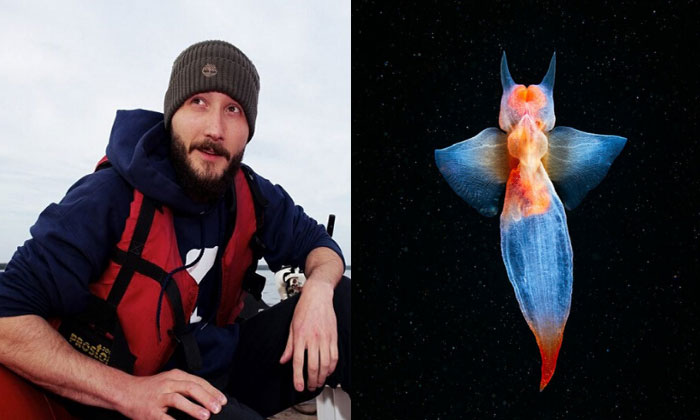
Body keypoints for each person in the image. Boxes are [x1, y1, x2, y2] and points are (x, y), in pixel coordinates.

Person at [0, 40, 350, 420]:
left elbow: (320, 244)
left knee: (345, 300)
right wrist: (127, 391)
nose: (215, 128)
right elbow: (6, 316)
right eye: (198, 102)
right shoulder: (108, 198)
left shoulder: (249, 193)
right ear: (172, 115)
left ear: (248, 129)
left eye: (233, 110)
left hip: (217, 368)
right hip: (132, 394)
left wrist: (317, 290)